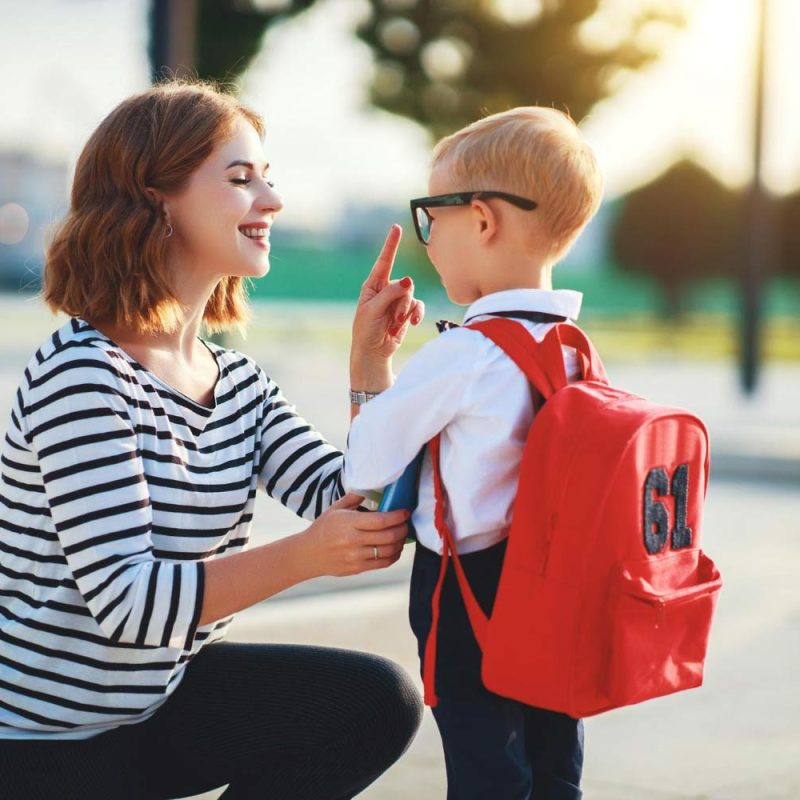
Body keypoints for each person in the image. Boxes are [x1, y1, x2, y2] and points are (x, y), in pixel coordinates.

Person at [0, 80, 425, 799]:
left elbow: (364, 501)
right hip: (42, 744)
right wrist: (308, 554)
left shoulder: (236, 382)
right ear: (156, 197)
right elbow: (132, 605)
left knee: (375, 702)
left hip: (156, 709)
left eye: (267, 177)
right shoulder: (83, 376)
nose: (271, 201)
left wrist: (371, 366)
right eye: (239, 179)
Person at [344, 107, 604, 799]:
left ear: (482, 220)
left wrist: (370, 367)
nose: (427, 239)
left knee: (485, 765)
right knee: (552, 759)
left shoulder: (466, 352)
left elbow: (365, 465)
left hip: (469, 593)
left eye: (432, 218)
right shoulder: (578, 349)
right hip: (557, 587)